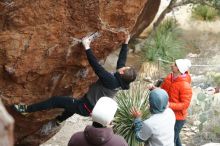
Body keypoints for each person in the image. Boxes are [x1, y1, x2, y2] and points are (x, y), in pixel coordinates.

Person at [13, 33, 137, 125]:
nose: (123, 66)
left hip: (86, 107)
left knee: (57, 100)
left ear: (121, 73)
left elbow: (96, 66)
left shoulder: (111, 81)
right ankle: (59, 120)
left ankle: (26, 109)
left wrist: (87, 47)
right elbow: (121, 61)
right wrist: (126, 43)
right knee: (71, 105)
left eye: (124, 68)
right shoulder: (122, 81)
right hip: (90, 103)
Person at [159, 59, 192, 146]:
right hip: (168, 113)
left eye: (175, 64)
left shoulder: (185, 85)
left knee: (170, 140)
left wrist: (169, 105)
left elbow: (185, 104)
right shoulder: (169, 77)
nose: (172, 65)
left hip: (178, 118)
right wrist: (155, 91)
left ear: (179, 69)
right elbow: (163, 90)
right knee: (175, 138)